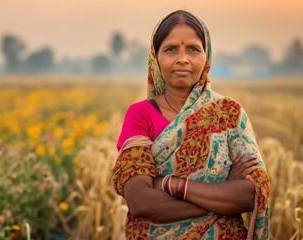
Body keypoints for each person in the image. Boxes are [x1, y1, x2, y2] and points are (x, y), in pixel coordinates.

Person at [112, 10, 270, 239]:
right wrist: (223, 194)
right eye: (171, 49)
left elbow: (252, 194)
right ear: (155, 57)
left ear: (206, 56)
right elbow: (141, 203)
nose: (182, 59)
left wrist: (170, 184)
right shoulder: (140, 115)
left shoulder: (228, 113)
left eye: (193, 49)